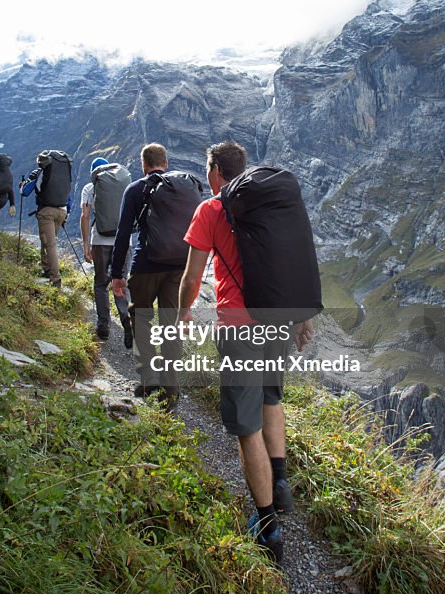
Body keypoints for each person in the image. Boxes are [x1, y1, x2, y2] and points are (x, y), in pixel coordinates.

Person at [178, 141, 314, 565]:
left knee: (245, 426)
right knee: (272, 399)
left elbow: (192, 274)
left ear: (216, 169)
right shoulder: (270, 205)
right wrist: (303, 315)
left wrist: (181, 314)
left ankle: (267, 524)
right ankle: (282, 484)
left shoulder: (212, 211)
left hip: (240, 329)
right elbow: (298, 256)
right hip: (278, 319)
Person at [111, 143, 196, 408]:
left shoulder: (136, 189)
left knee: (142, 322)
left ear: (144, 164)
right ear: (165, 163)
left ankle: (149, 382)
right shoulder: (184, 188)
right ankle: (171, 392)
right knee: (170, 327)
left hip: (146, 266)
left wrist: (117, 274)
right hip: (178, 269)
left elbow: (123, 234)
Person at [80, 156, 133, 346]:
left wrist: (86, 245)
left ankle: (103, 327)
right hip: (123, 241)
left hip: (100, 241)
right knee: (121, 281)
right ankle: (127, 317)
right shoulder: (125, 186)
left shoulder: (90, 187)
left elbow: (85, 216)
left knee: (101, 283)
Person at [20, 150, 72, 288]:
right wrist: (67, 213)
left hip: (46, 212)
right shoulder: (63, 175)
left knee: (50, 243)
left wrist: (23, 185)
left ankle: (55, 278)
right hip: (62, 211)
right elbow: (68, 196)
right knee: (47, 240)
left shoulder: (40, 172)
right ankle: (46, 269)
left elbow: (25, 192)